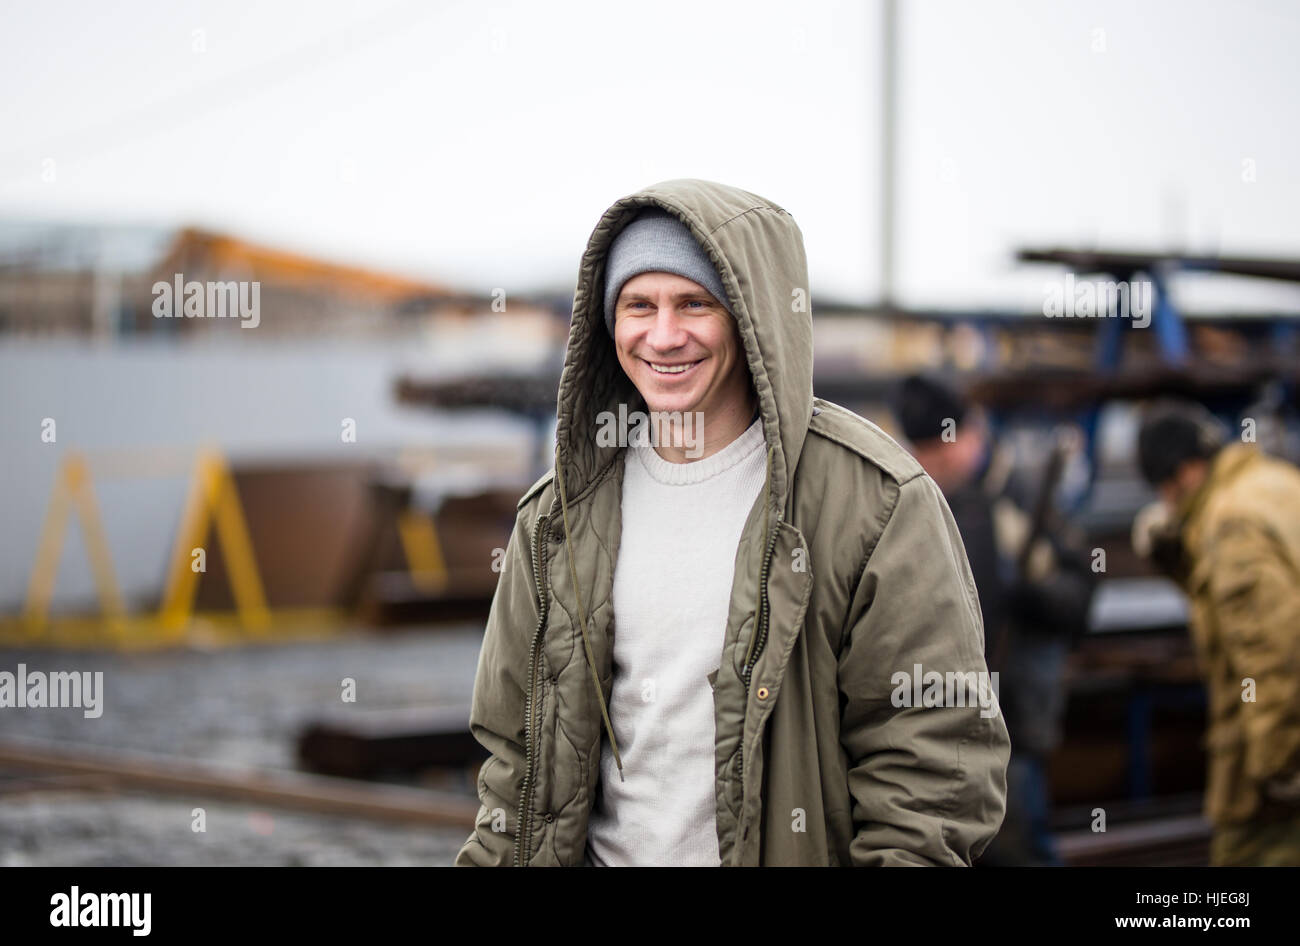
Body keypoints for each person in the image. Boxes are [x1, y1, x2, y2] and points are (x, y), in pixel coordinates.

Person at [455, 179, 1008, 867]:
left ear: (751, 315)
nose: (663, 335)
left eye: (694, 303)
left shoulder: (875, 500)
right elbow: (515, 764)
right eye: (638, 305)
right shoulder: (557, 515)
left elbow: (934, 759)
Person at [893, 374, 1093, 866]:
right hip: (944, 716)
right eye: (924, 453)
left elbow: (1080, 594)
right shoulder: (922, 504)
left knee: (1017, 841)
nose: (936, 464)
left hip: (1016, 716)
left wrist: (1027, 594)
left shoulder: (1020, 497)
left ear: (974, 431)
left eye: (944, 447)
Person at [1136, 399, 1300, 866]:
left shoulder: (1230, 524)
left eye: (1166, 490)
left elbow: (1273, 651)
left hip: (1268, 786)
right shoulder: (1279, 483)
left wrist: (1278, 764)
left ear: (1185, 473)